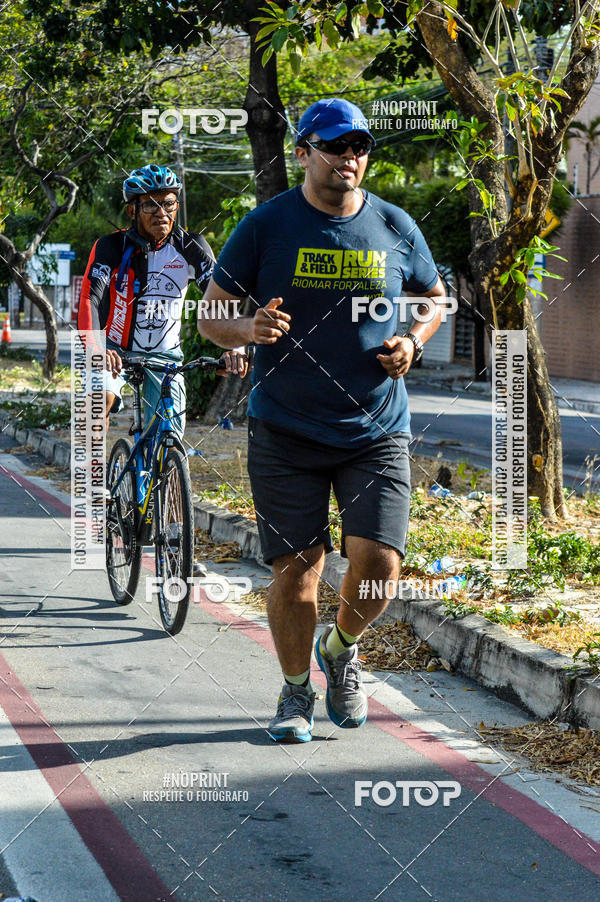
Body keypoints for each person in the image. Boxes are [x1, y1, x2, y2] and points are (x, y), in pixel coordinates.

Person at [197, 99, 446, 742]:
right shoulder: (266, 225)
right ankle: (294, 691)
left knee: (381, 565)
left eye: (359, 146)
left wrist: (414, 342)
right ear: (303, 152)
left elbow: (434, 297)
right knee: (298, 572)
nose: (349, 158)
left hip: (376, 428)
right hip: (285, 430)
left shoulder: (395, 224)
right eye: (335, 146)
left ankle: (340, 649)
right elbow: (208, 313)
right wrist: (246, 328)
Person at [77, 163, 248, 436]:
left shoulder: (191, 247)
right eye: (150, 205)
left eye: (168, 204)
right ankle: (90, 471)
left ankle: (167, 474)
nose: (161, 213)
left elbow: (219, 301)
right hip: (113, 348)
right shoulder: (110, 247)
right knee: (97, 404)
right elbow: (89, 299)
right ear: (132, 210)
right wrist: (97, 348)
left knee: (169, 434)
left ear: (177, 207)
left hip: (165, 355)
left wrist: (236, 347)